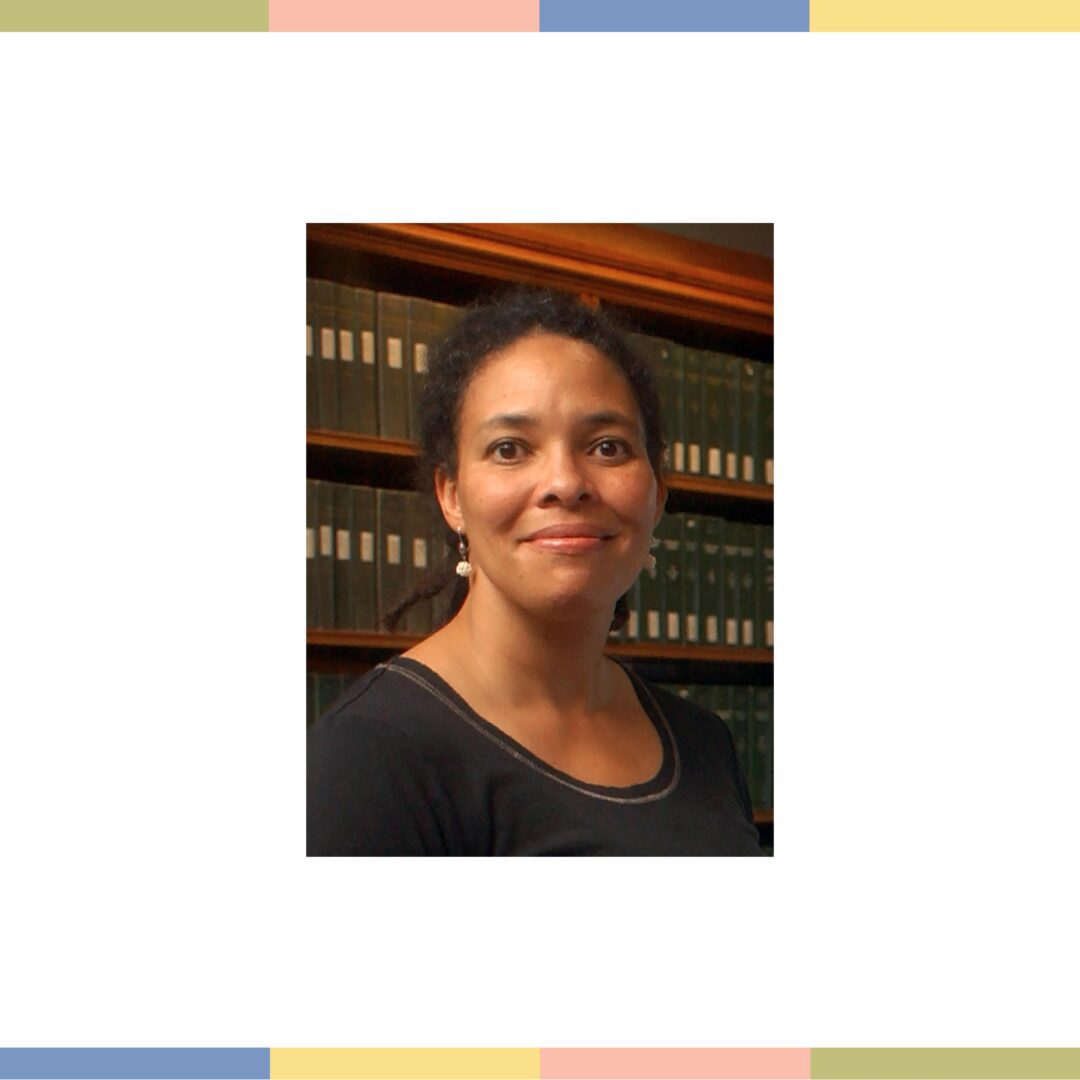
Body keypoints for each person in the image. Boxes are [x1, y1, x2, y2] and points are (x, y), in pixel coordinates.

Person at [307, 288, 763, 856]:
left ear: (657, 495)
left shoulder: (704, 741)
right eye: (509, 449)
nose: (565, 482)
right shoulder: (370, 755)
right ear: (451, 496)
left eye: (607, 446)